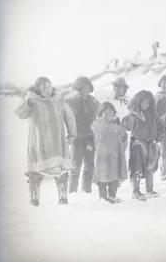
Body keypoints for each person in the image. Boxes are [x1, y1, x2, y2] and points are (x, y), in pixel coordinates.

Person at [15, 77, 77, 206]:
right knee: (35, 171)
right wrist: (26, 101)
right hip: (38, 142)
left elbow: (69, 116)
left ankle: (63, 196)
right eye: (43, 87)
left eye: (48, 86)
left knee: (60, 169)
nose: (47, 89)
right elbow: (21, 114)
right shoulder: (32, 100)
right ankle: (34, 197)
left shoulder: (59, 100)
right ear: (37, 89)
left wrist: (72, 134)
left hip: (56, 142)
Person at [122, 90, 160, 201]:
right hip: (137, 143)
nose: (145, 104)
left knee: (150, 167)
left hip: (151, 143)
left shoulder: (154, 114)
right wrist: (132, 115)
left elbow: (160, 126)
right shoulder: (133, 114)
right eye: (143, 102)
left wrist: (158, 139)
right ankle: (136, 191)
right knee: (136, 167)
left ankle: (149, 189)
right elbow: (127, 126)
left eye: (147, 102)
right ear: (138, 102)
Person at [65, 76, 100, 194]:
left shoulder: (93, 101)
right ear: (78, 88)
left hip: (90, 138)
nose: (86, 90)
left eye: (88, 88)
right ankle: (72, 192)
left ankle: (86, 190)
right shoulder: (72, 100)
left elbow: (101, 111)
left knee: (89, 164)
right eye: (83, 88)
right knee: (75, 165)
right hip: (78, 138)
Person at [91, 102, 128, 204]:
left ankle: (112, 196)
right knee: (102, 177)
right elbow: (94, 137)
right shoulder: (97, 124)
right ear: (101, 113)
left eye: (110, 112)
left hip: (115, 155)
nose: (108, 114)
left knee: (115, 176)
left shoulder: (117, 125)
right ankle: (103, 197)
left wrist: (122, 148)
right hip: (102, 156)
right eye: (105, 112)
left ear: (114, 113)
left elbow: (124, 138)